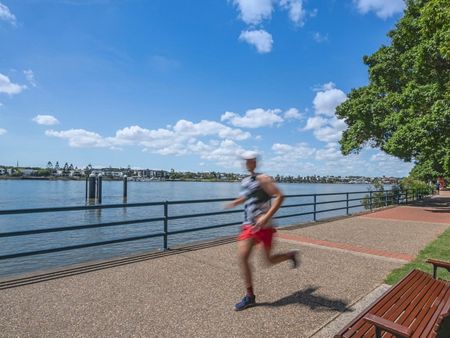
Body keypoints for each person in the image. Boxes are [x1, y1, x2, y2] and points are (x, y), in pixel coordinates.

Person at [225, 151, 298, 311]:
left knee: (268, 261)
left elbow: (279, 196)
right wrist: (235, 202)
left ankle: (290, 255)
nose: (248, 163)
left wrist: (266, 217)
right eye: (246, 161)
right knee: (242, 257)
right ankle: (250, 296)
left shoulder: (263, 178)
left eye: (251, 161)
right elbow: (247, 197)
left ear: (255, 162)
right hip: (249, 226)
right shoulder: (245, 181)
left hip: (264, 226)